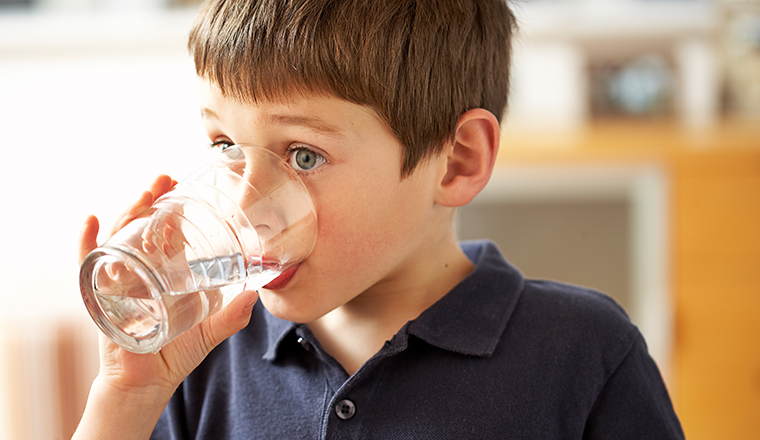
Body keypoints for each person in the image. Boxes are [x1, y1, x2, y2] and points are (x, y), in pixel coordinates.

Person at [73, 0, 685, 438]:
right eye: (224, 145)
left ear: (456, 162)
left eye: (303, 155)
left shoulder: (583, 353)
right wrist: (127, 394)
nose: (243, 204)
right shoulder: (204, 357)